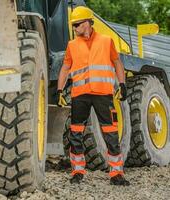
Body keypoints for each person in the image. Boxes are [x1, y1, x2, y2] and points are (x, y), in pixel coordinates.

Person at [56, 6, 130, 186]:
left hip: (103, 94)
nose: (74, 28)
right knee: (75, 134)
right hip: (79, 95)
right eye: (73, 25)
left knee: (111, 133)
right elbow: (65, 68)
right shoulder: (72, 45)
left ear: (88, 22)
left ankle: (116, 173)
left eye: (77, 24)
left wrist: (122, 84)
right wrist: (59, 90)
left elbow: (117, 63)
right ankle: (77, 171)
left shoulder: (106, 41)